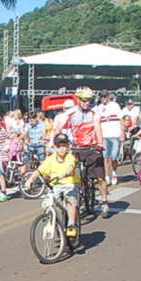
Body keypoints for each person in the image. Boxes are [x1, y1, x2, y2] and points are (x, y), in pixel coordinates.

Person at [56, 87, 109, 217]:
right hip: (77, 148)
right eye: (84, 100)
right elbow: (58, 128)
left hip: (92, 147)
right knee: (73, 176)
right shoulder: (71, 112)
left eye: (89, 100)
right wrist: (57, 142)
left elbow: (98, 129)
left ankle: (104, 201)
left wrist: (100, 144)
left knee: (100, 177)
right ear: (78, 99)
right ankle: (76, 198)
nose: (87, 103)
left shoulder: (94, 112)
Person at [25, 133, 80, 237]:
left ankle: (71, 224)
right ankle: (51, 221)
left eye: (64, 146)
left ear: (68, 146)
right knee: (49, 202)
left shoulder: (70, 157)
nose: (61, 149)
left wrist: (66, 173)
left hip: (70, 183)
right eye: (59, 146)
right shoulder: (51, 159)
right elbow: (40, 170)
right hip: (56, 185)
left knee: (70, 199)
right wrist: (30, 180)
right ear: (54, 147)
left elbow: (71, 167)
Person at [97, 90, 124, 185]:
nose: (103, 98)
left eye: (104, 96)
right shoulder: (99, 108)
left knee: (114, 158)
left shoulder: (115, 106)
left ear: (108, 96)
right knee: (106, 157)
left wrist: (122, 132)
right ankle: (107, 176)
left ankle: (114, 173)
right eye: (101, 96)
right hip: (104, 136)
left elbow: (121, 119)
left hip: (115, 135)